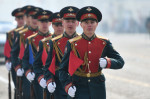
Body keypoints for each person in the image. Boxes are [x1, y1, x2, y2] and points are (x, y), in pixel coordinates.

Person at [59, 6, 125, 99]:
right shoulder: (72, 43)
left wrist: (108, 62)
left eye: (92, 22)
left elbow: (120, 62)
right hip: (78, 87)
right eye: (86, 22)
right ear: (81, 24)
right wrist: (67, 85)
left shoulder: (104, 42)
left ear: (97, 24)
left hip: (97, 88)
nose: (89, 25)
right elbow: (62, 69)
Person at [44, 6, 79, 99]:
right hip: (60, 84)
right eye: (67, 21)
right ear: (63, 22)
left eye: (73, 21)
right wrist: (49, 80)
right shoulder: (54, 42)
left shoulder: (82, 40)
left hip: (80, 84)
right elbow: (48, 66)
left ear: (78, 23)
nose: (70, 24)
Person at [22, 10, 53, 99]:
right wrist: (28, 72)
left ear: (50, 23)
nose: (44, 24)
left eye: (46, 22)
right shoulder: (31, 40)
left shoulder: (54, 39)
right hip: (37, 76)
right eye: (42, 21)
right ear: (38, 23)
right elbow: (25, 59)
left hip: (52, 77)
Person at [33, 12, 64, 99]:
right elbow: (37, 64)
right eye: (56, 25)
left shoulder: (72, 42)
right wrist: (40, 77)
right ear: (52, 25)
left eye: (61, 25)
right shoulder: (45, 43)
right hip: (52, 80)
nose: (59, 27)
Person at [4, 7, 25, 99]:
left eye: (22, 17)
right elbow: (8, 50)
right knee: (18, 88)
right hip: (15, 65)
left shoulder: (31, 33)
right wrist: (7, 61)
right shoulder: (11, 34)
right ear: (15, 19)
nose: (21, 20)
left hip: (27, 65)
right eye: (18, 18)